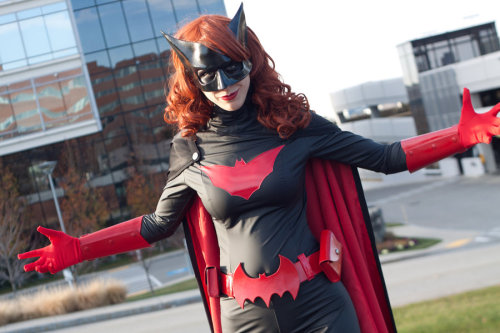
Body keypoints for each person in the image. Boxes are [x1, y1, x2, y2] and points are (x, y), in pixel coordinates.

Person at [18, 5, 500, 333]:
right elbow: (157, 225)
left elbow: (386, 157)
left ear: (251, 61)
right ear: (192, 78)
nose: (225, 85)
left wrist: (459, 137)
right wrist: (80, 248)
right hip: (243, 316)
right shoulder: (190, 149)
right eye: (209, 74)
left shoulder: (296, 126)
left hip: (319, 304)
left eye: (234, 67)